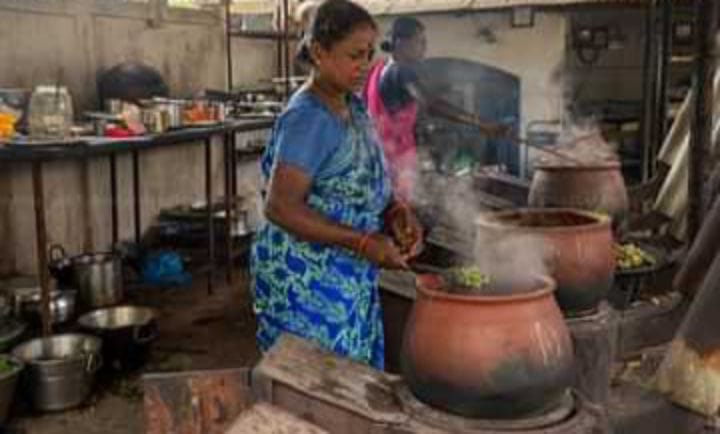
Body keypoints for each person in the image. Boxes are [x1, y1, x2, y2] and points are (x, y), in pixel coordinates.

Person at [251, 0, 422, 370]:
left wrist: (395, 211)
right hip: (304, 279)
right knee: (316, 386)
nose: (365, 65)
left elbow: (362, 179)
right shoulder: (308, 118)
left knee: (348, 381)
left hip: (347, 272)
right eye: (354, 55)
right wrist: (362, 241)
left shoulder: (352, 106)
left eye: (369, 54)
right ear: (318, 52)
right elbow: (280, 207)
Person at [363, 16, 508, 201]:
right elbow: (431, 104)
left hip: (377, 158)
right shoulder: (402, 70)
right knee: (401, 216)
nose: (424, 48)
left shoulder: (378, 69)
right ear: (401, 43)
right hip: (395, 163)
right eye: (420, 42)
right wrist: (481, 123)